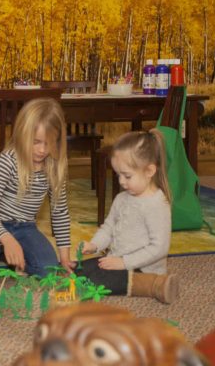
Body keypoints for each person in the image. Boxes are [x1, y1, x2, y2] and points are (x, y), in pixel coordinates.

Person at [0, 98, 74, 285]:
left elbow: (60, 213)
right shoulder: (7, 161)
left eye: (48, 143)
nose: (42, 150)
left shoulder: (54, 166)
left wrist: (64, 258)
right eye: (36, 142)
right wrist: (7, 239)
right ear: (22, 135)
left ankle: (10, 256)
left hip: (26, 227)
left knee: (49, 273)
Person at [77, 129, 178, 303]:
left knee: (94, 282)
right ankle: (127, 278)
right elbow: (108, 228)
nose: (121, 182)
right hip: (118, 259)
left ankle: (155, 284)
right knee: (79, 271)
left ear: (149, 171)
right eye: (118, 175)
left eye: (127, 176)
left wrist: (124, 262)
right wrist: (94, 245)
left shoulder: (156, 204)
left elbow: (159, 248)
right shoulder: (121, 198)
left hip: (143, 268)